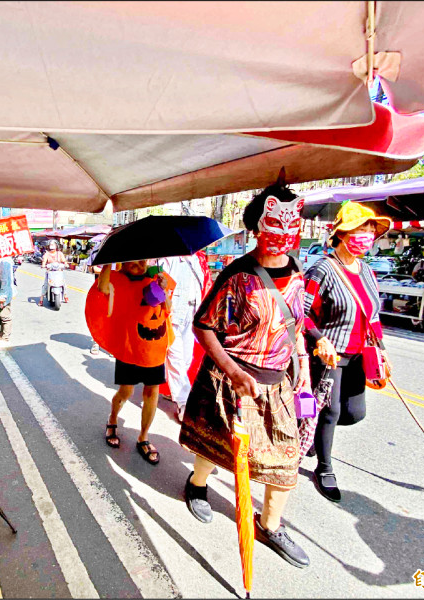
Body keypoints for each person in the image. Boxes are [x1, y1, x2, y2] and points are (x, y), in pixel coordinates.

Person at [179, 170, 312, 568]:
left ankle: (270, 526)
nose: (284, 231)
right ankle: (197, 485)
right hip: (233, 380)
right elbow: (203, 326)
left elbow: (296, 326)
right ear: (256, 228)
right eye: (275, 223)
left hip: (278, 385)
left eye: (292, 223)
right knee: (216, 446)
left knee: (286, 461)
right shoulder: (237, 276)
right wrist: (232, 371)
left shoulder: (299, 273)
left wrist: (302, 363)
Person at [303, 201, 391, 503]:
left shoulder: (367, 270)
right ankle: (324, 468)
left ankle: (314, 433)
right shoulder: (322, 269)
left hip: (360, 354)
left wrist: (381, 349)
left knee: (355, 413)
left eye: (370, 230)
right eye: (360, 229)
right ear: (342, 233)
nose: (366, 235)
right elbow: (300, 312)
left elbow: (373, 314)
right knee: (331, 411)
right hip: (331, 354)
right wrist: (319, 339)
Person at [86, 260, 175, 465]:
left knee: (152, 392)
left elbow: (168, 309)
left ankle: (143, 437)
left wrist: (164, 290)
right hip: (129, 347)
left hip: (154, 347)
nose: (139, 264)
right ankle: (112, 419)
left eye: (143, 260)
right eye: (135, 260)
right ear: (124, 261)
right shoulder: (116, 279)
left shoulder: (156, 277)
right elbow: (102, 288)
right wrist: (107, 262)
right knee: (126, 392)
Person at [157, 253, 210, 422]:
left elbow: (200, 286)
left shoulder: (196, 259)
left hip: (191, 313)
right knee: (176, 358)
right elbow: (160, 287)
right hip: (172, 315)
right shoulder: (168, 258)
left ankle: (176, 391)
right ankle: (183, 403)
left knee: (186, 358)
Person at [0, 255, 16, 347]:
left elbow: (5, 281)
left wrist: (3, 296)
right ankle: (1, 335)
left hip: (3, 294)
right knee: (0, 314)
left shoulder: (4, 262)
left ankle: (5, 338)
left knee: (5, 316)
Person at [39, 239, 69, 306]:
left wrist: (66, 264)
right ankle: (41, 299)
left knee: (63, 284)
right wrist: (43, 265)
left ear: (56, 246)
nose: (52, 246)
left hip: (59, 272)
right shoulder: (47, 254)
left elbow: (64, 261)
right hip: (50, 272)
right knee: (46, 285)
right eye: (50, 245)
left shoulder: (60, 253)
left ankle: (65, 296)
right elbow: (44, 262)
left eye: (53, 244)